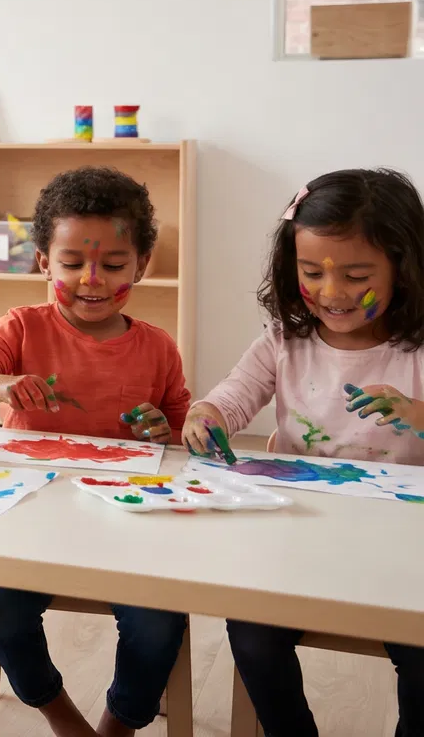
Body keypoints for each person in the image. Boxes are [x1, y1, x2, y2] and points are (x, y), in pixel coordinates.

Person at [0, 167, 191, 737]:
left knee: (160, 622)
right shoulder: (21, 328)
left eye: (113, 265)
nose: (91, 280)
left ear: (142, 266)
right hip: (32, 520)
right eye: (72, 263)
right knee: (0, 606)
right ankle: (64, 720)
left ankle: (118, 727)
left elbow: (182, 432)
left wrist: (166, 430)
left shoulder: (157, 347)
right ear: (43, 263)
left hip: (131, 524)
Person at [182, 169, 424, 736]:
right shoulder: (284, 341)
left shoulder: (416, 350)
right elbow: (234, 396)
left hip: (403, 550)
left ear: (404, 267)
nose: (331, 292)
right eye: (313, 272)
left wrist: (417, 414)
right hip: (300, 536)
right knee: (251, 631)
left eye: (357, 275)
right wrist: (207, 414)